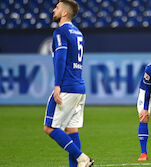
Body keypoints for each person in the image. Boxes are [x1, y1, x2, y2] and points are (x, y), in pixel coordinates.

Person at [43, 1, 94, 167]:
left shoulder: (61, 32)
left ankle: (83, 158)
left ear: (64, 12)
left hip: (67, 87)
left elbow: (60, 59)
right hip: (79, 88)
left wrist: (57, 85)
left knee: (49, 128)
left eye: (57, 7)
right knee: (72, 131)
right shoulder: (78, 33)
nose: (54, 10)